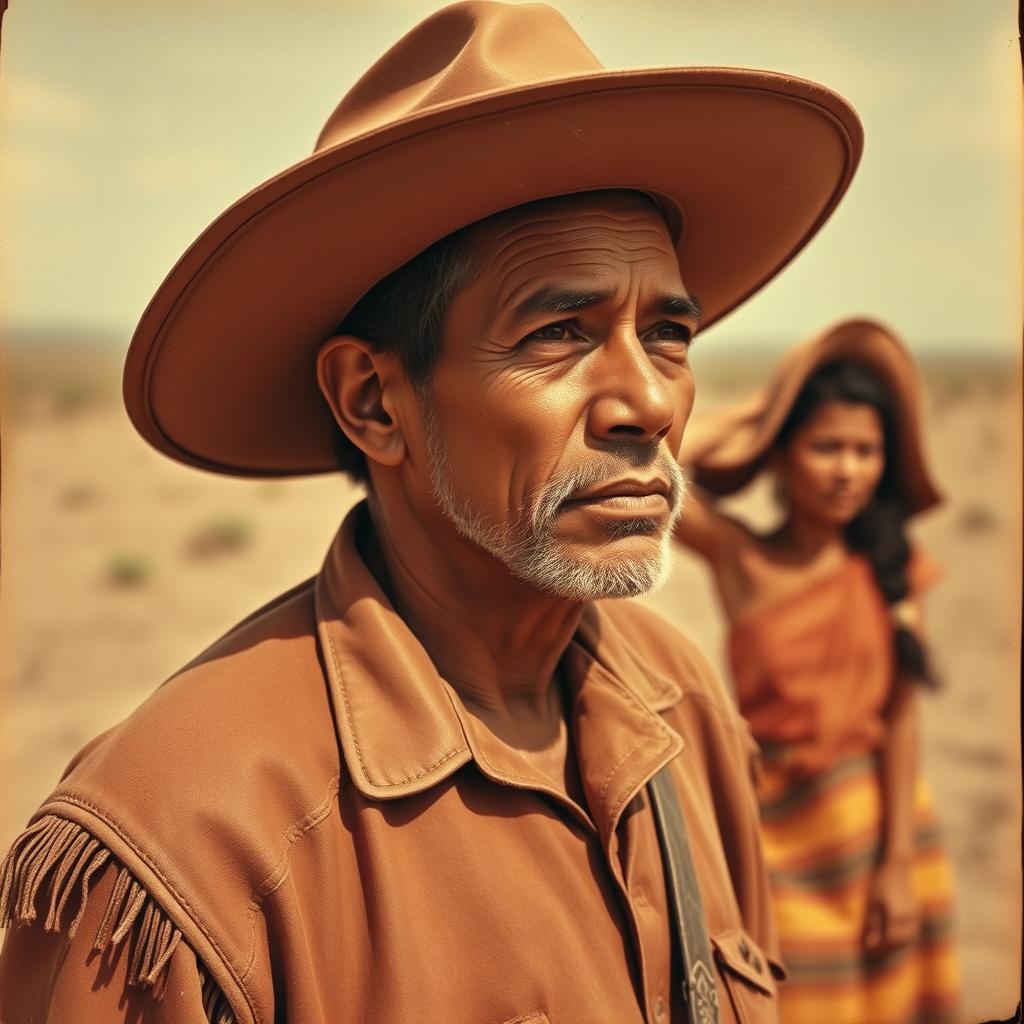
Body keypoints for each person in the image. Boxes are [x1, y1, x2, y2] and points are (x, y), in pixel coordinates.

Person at [0, 4, 863, 1022]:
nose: (647, 403)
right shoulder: (188, 843)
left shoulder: (681, 706)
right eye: (558, 331)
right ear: (374, 400)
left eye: (667, 333)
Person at [673, 319, 961, 1023]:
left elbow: (899, 719)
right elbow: (661, 460)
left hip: (884, 841)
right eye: (826, 445)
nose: (847, 469)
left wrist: (896, 865)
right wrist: (762, 409)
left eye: (866, 451)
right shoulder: (744, 560)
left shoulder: (888, 570)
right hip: (777, 844)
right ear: (781, 457)